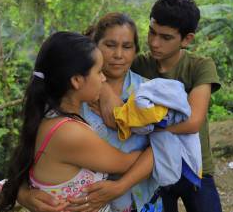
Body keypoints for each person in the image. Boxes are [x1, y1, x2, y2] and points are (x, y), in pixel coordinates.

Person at [16, 14, 161, 212]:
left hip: (144, 198)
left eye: (127, 46)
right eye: (110, 45)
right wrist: (22, 192)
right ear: (95, 45)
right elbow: (30, 158)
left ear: (136, 50)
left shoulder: (151, 91)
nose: (118, 54)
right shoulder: (70, 109)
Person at [98, 0, 222, 212]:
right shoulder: (138, 64)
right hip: (153, 168)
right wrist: (105, 87)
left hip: (193, 166)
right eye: (152, 32)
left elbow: (193, 121)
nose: (154, 43)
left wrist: (139, 125)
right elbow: (93, 53)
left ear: (187, 39)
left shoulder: (199, 66)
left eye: (166, 37)